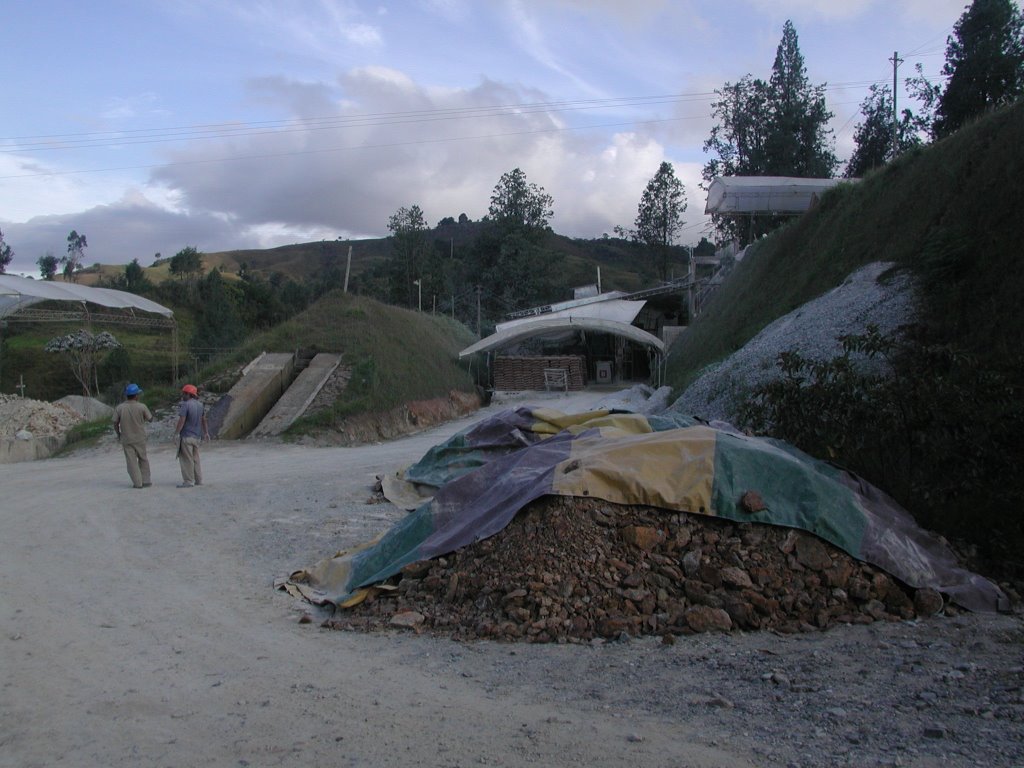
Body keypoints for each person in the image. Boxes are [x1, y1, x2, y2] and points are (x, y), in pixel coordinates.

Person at [113, 383, 153, 489]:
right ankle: (146, 480)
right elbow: (150, 418)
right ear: (136, 395)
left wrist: (118, 434)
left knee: (131, 462)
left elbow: (115, 423)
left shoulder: (120, 408)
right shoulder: (142, 406)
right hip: (140, 437)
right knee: (143, 458)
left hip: (126, 438)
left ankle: (137, 483)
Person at [174, 383, 210, 488]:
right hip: (197, 437)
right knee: (196, 459)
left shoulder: (185, 405)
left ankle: (188, 481)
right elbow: (204, 420)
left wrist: (176, 433)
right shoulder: (200, 405)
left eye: (184, 394)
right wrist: (206, 433)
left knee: (186, 459)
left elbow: (182, 420)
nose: (182, 396)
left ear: (189, 394)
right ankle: (199, 480)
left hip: (186, 437)